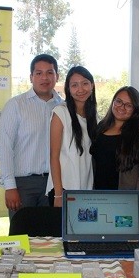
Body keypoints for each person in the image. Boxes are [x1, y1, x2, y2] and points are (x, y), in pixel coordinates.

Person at [0, 54, 62, 218]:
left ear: (57, 76)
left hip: (55, 183)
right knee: (21, 237)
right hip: (23, 185)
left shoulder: (64, 107)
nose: (44, 78)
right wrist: (10, 187)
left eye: (49, 72)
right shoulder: (16, 105)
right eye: (39, 73)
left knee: (51, 236)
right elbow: (4, 147)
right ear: (31, 77)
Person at [90, 86, 139, 206]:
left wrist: (137, 203)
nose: (122, 107)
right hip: (100, 197)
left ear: (135, 109)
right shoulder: (101, 127)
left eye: (128, 105)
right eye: (119, 101)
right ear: (113, 102)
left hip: (128, 200)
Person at [46, 66, 98, 207]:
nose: (80, 89)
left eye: (85, 83)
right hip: (64, 190)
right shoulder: (60, 113)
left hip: (85, 190)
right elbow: (54, 156)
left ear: (92, 85)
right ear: (68, 89)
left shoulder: (93, 117)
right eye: (74, 85)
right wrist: (58, 193)